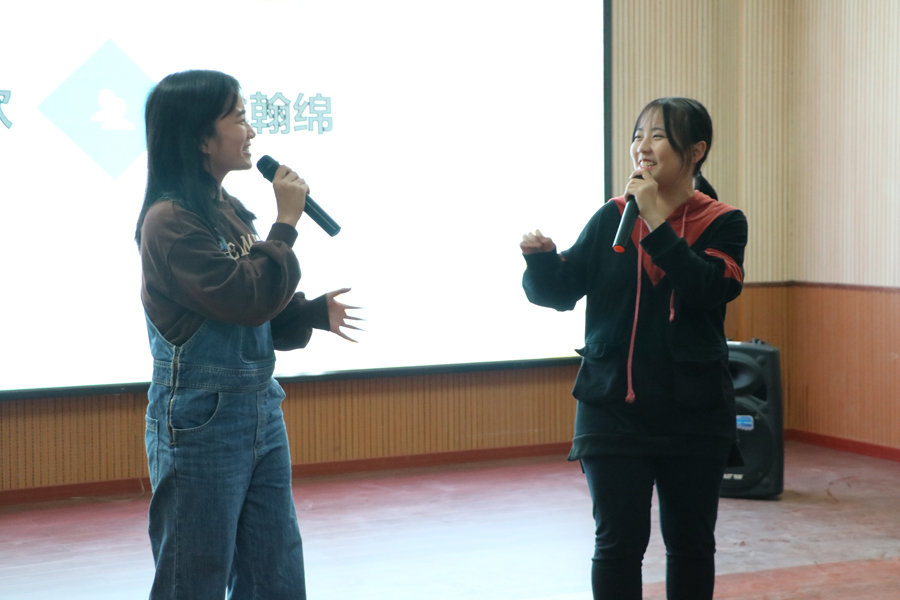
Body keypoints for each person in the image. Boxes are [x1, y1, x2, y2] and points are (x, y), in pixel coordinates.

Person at [135, 69, 361, 600]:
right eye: (238, 118)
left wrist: (305, 314)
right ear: (201, 137)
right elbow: (243, 296)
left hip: (259, 406)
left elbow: (249, 306)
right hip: (201, 418)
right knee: (193, 575)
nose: (252, 130)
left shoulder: (227, 210)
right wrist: (286, 223)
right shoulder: (169, 222)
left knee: (274, 570)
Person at [520, 98, 747, 600]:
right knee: (617, 544)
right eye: (638, 135)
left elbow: (709, 288)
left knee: (690, 545)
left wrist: (656, 222)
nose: (642, 146)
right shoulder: (613, 218)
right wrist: (541, 262)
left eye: (658, 136)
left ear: (696, 151)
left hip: (694, 411)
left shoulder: (724, 222)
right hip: (612, 408)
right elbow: (559, 293)